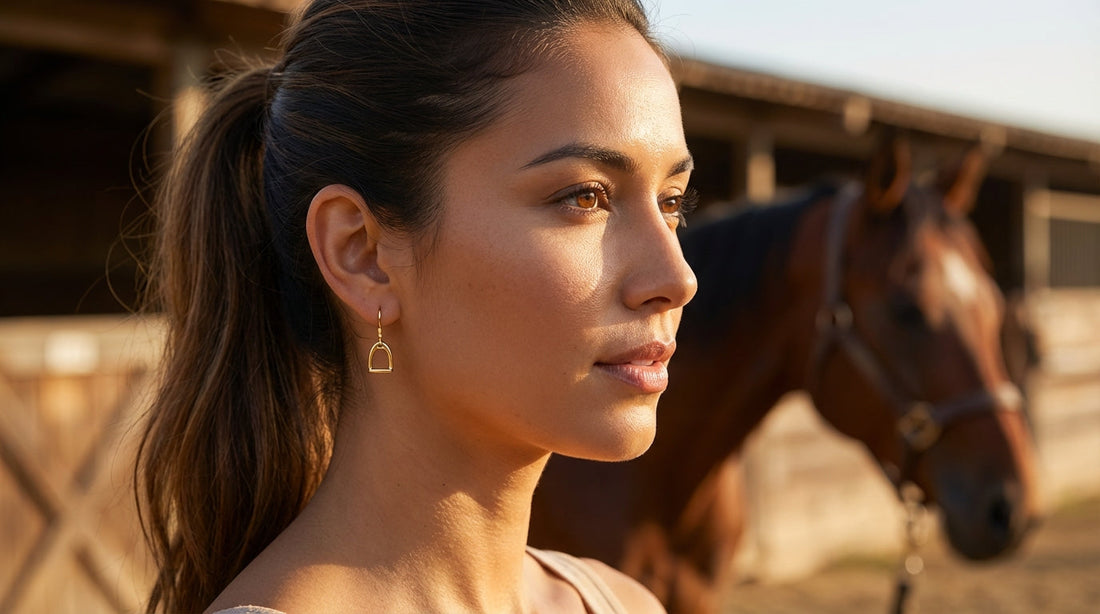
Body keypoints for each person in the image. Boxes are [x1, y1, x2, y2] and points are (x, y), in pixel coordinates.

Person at [135, 1, 697, 612]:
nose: (676, 276)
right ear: (363, 255)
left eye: (671, 201)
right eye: (584, 196)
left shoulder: (625, 604)